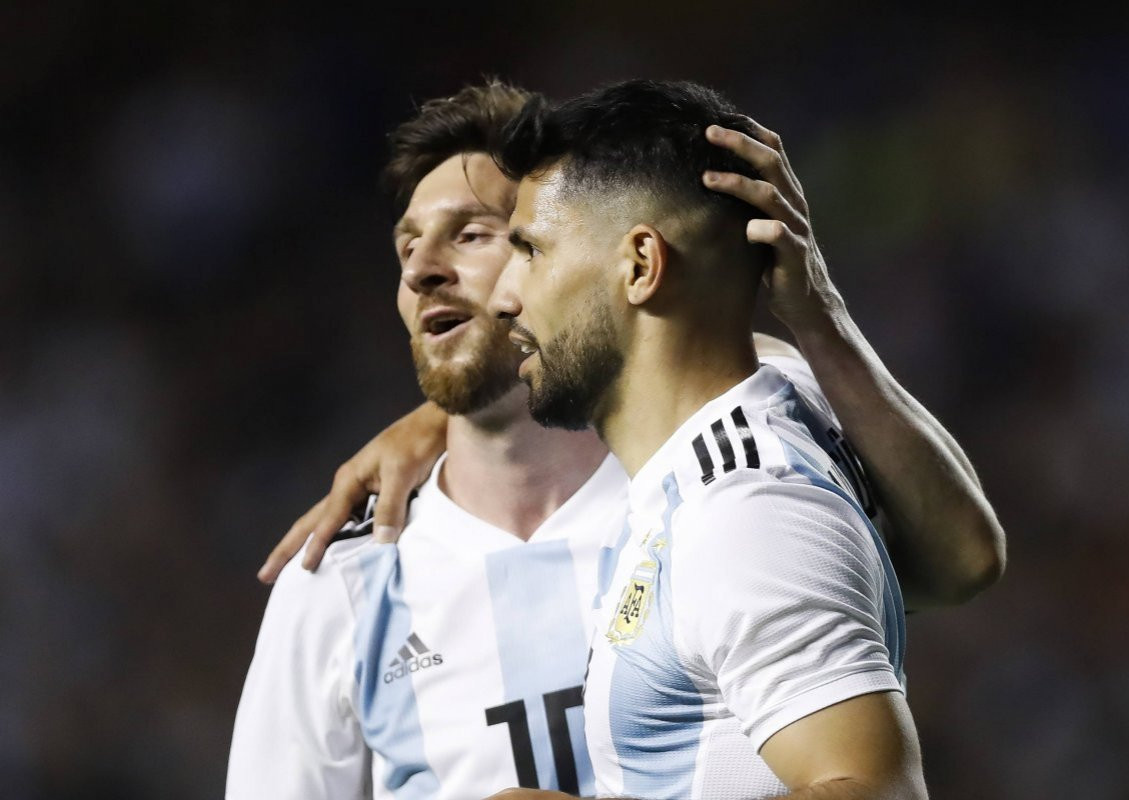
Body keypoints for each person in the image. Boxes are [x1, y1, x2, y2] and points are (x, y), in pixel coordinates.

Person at [230, 81, 1003, 799]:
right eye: (405, 250)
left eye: (493, 239)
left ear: (633, 261)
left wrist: (815, 310)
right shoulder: (350, 572)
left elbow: (955, 574)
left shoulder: (736, 490)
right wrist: (444, 417)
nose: (429, 272)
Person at [479, 79, 951, 799]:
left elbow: (876, 792)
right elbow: (966, 559)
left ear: (640, 266)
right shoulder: (787, 390)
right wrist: (817, 314)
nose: (503, 295)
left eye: (532, 251)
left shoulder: (743, 513)